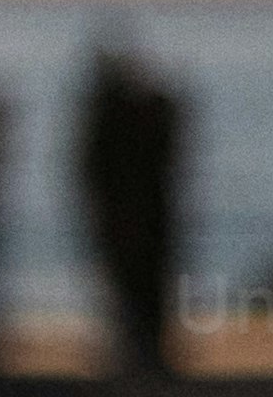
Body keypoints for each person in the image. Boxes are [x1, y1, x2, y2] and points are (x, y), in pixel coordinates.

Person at [70, 26, 190, 373]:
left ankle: (142, 353)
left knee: (140, 289)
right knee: (136, 290)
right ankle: (139, 353)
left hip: (137, 217)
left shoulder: (116, 115)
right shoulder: (118, 115)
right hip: (132, 217)